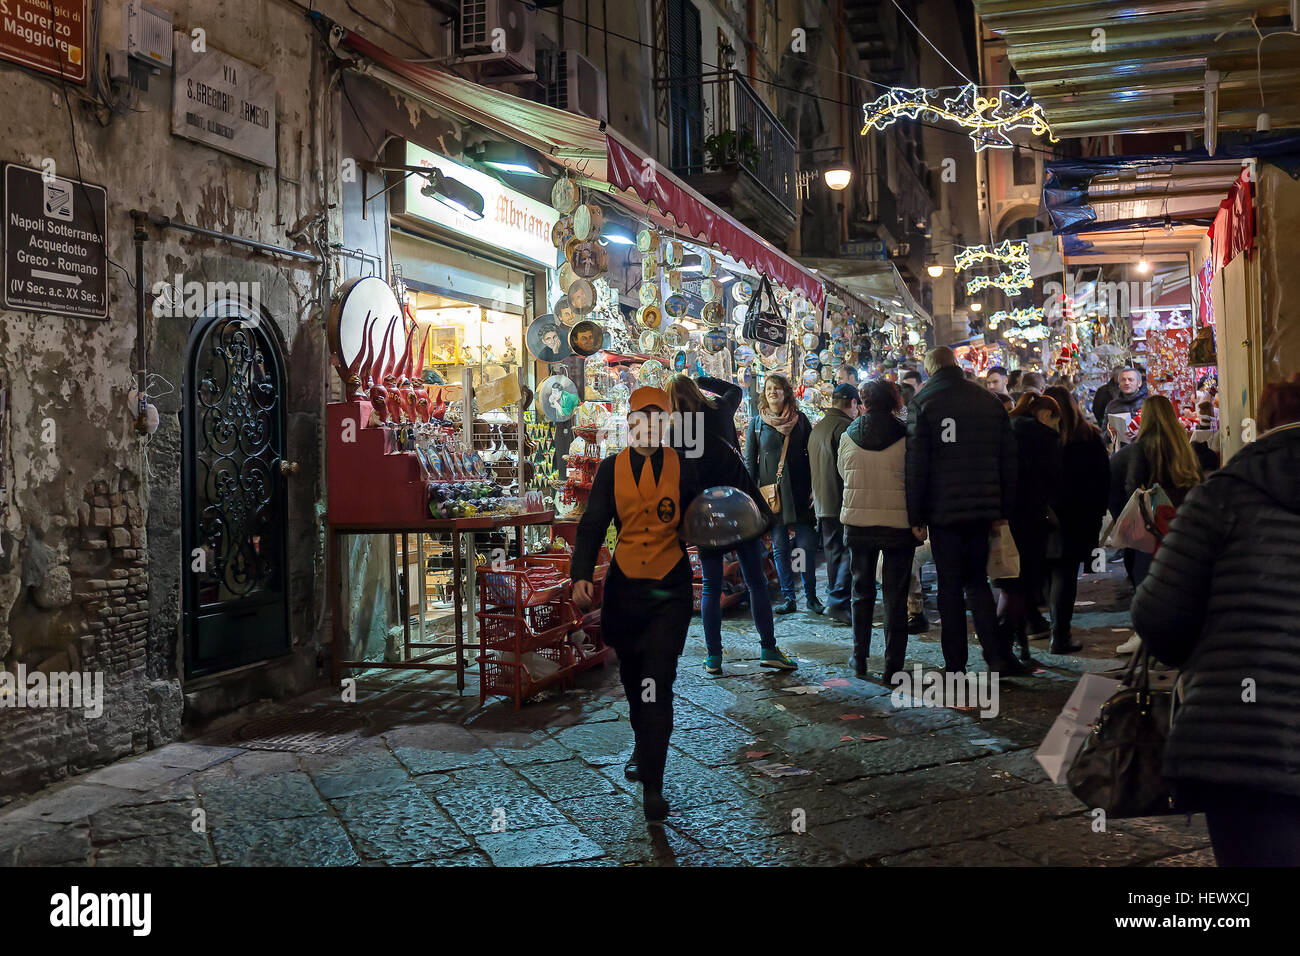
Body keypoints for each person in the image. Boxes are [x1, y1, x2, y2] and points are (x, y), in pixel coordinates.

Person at [1131, 375, 1300, 865]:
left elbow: (1158, 613)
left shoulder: (1223, 495)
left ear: (1264, 425)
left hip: (1244, 744)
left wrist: (1215, 657)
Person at [571, 386, 700, 823]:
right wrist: (581, 575)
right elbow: (592, 524)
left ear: (666, 425)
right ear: (629, 424)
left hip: (670, 590)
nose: (647, 427)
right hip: (627, 591)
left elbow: (703, 516)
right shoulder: (610, 469)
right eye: (640, 419)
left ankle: (653, 783)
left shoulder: (685, 466)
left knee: (658, 678)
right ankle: (643, 746)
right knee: (633, 680)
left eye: (657, 419)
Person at [664, 373, 794, 674]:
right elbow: (734, 389)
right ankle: (769, 648)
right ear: (695, 391)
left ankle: (713, 657)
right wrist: (701, 378)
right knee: (755, 582)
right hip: (739, 506)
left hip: (705, 513)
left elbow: (681, 478)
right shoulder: (719, 409)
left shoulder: (676, 431)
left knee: (710, 586)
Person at [905, 347, 1023, 674]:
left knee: (950, 587)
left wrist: (916, 516)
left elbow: (917, 465)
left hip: (944, 513)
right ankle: (996, 656)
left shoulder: (924, 403)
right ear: (955, 365)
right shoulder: (988, 401)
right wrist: (1004, 508)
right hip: (983, 510)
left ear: (930, 369)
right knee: (979, 583)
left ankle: (955, 663)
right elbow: (1008, 461)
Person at [839, 379, 923, 681]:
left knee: (860, 592)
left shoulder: (848, 436)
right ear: (894, 401)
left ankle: (859, 659)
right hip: (897, 525)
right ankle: (892, 667)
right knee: (895, 597)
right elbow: (914, 481)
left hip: (858, 522)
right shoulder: (905, 436)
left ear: (864, 402)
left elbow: (842, 475)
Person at [1112, 394, 1203, 655]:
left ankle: (1146, 635)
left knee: (1144, 578)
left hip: (1152, 522)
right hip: (1180, 518)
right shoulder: (1182, 443)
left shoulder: (1142, 447)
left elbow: (1133, 486)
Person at [994, 393, 1063, 662]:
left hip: (1005, 516)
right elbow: (1054, 482)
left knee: (1009, 584)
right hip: (1030, 519)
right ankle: (1004, 649)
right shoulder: (1044, 439)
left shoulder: (1005, 431)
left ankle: (1012, 646)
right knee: (1019, 586)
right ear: (1046, 416)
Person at [746, 373, 821, 615]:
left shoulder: (800, 421)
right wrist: (752, 496)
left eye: (777, 388)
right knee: (779, 548)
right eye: (768, 388)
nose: (772, 392)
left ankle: (810, 596)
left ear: (785, 392)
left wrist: (814, 488)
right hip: (772, 497)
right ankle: (789, 597)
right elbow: (751, 463)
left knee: (804, 547)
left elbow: (813, 457)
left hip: (800, 493)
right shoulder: (757, 423)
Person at [1043, 386, 1109, 653]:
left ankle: (1055, 629)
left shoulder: (1044, 438)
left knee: (1053, 573)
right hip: (1079, 516)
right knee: (1065, 575)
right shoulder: (1089, 437)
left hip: (1049, 515)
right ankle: (1060, 634)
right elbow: (1103, 479)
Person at [809, 383, 859, 625]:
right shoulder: (845, 427)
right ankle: (839, 602)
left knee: (833, 552)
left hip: (822, 501)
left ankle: (834, 599)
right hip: (841, 499)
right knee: (847, 550)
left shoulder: (818, 427)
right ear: (851, 402)